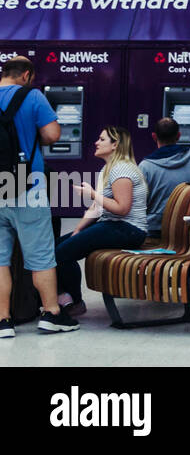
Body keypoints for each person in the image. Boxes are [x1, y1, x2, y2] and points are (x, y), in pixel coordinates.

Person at [0, 56, 76, 336]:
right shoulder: (32, 97)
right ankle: (51, 314)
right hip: (25, 184)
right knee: (42, 256)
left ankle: (3, 321)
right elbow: (53, 135)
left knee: (0, 259)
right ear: (27, 75)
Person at [55, 127, 149, 316]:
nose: (96, 142)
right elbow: (97, 208)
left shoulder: (121, 169)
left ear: (115, 145)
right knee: (57, 246)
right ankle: (62, 298)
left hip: (128, 229)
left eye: (102, 139)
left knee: (62, 253)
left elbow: (122, 208)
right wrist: (78, 230)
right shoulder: (107, 168)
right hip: (113, 225)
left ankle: (75, 301)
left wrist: (92, 194)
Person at [138, 117, 190, 237]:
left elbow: (139, 204)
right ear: (178, 135)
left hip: (156, 230)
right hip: (189, 228)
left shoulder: (145, 166)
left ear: (154, 136)